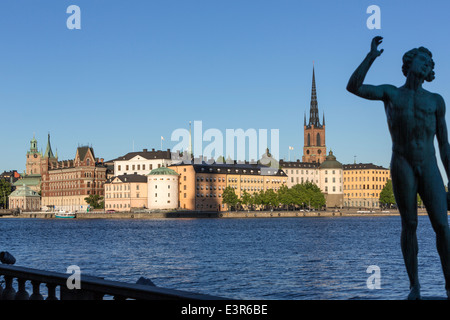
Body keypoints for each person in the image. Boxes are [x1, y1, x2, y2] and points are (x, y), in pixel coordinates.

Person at [347, 36, 450, 300]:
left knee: (442, 225)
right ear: (409, 62)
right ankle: (414, 286)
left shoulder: (436, 101)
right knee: (410, 224)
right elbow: (353, 86)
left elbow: (445, 147)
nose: (427, 65)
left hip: (429, 166)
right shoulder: (391, 94)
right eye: (422, 60)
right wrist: (371, 56)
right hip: (402, 164)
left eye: (430, 63)